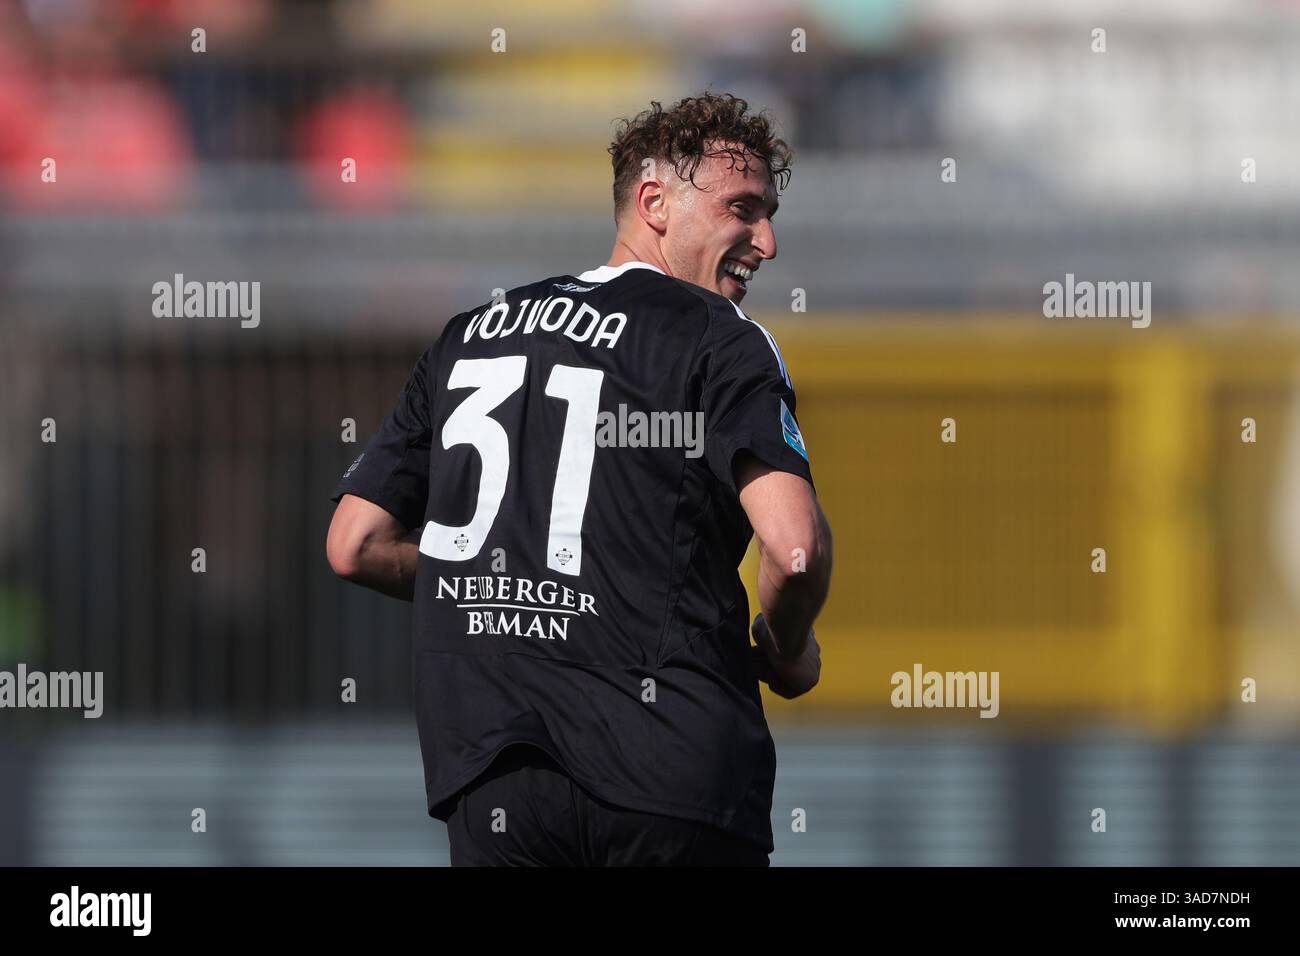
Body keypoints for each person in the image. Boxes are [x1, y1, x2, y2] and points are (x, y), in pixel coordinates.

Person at [326, 92, 832, 866]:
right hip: (673, 775)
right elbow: (794, 551)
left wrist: (505, 579)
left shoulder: (471, 334)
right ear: (655, 202)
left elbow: (355, 543)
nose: (765, 240)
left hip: (495, 777)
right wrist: (788, 644)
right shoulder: (717, 339)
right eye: (744, 208)